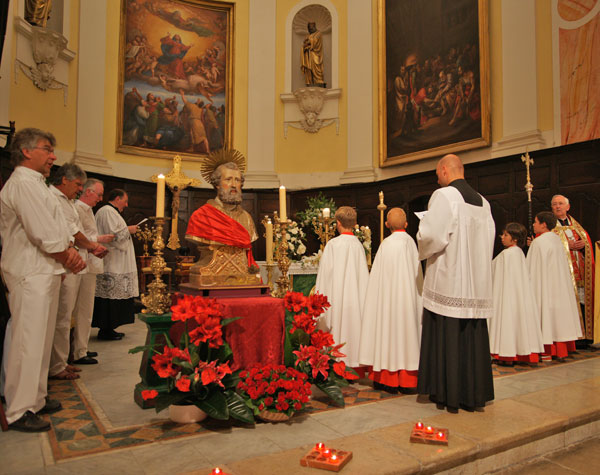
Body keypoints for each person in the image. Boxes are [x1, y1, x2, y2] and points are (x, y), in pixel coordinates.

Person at [0, 128, 85, 432]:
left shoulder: (38, 184)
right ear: (25, 151)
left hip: (44, 269)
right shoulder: (22, 184)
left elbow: (57, 226)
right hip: (30, 269)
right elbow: (41, 231)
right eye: (47, 150)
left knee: (41, 340)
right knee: (28, 341)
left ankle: (35, 398)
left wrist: (67, 252)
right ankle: (19, 409)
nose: (53, 157)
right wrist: (67, 255)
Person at [417, 154, 495, 412]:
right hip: (475, 282)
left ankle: (447, 393)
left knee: (447, 332)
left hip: (450, 279)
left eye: (437, 173)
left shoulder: (444, 196)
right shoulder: (483, 202)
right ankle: (472, 394)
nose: (436, 178)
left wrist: (421, 233)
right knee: (471, 336)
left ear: (444, 170)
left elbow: (432, 236)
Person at [48, 164, 108, 380]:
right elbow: (71, 232)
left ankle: (61, 361)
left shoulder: (68, 202)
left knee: (67, 314)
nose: (80, 190)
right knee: (63, 315)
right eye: (78, 185)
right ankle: (57, 364)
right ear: (64, 180)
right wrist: (93, 246)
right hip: (63, 262)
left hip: (74, 261)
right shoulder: (55, 198)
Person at [359, 208, 423, 393]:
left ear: (387, 225)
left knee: (387, 333)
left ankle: (386, 378)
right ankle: (408, 380)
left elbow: (376, 283)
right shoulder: (411, 243)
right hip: (407, 305)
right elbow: (418, 279)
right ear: (406, 224)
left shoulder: (386, 245)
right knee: (407, 333)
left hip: (387, 305)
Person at [315, 206, 369, 375]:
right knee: (354, 329)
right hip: (356, 299)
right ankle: (355, 368)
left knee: (338, 329)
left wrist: (319, 299)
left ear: (337, 223)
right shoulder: (358, 246)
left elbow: (324, 275)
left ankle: (337, 368)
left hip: (336, 298)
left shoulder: (333, 245)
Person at [527, 211, 582, 359]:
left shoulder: (538, 242)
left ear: (543, 225)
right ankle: (561, 349)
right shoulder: (557, 240)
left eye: (536, 222)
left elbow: (531, 269)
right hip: (558, 287)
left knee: (545, 316)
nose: (533, 224)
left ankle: (547, 350)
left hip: (543, 286)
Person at [488, 223, 544, 365]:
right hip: (518, 297)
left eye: (506, 235)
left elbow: (491, 271)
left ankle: (507, 355)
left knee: (507, 322)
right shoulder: (519, 253)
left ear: (515, 239)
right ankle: (519, 353)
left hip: (506, 297)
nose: (502, 237)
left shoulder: (507, 255)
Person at [186, 161, 258, 270]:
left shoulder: (247, 218)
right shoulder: (201, 216)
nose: (234, 185)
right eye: (228, 179)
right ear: (217, 184)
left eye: (237, 180)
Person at [72, 179, 115, 363]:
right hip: (80, 262)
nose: (100, 198)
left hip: (90, 263)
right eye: (98, 194)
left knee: (86, 309)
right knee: (78, 309)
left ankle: (82, 348)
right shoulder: (77, 208)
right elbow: (75, 235)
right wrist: (99, 238)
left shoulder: (88, 209)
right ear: (88, 192)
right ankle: (76, 351)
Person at [92, 189, 139, 340]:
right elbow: (112, 236)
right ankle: (106, 329)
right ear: (117, 198)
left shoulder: (111, 212)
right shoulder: (107, 211)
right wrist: (129, 230)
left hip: (117, 261)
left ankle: (109, 328)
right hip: (112, 261)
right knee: (109, 296)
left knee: (112, 295)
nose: (126, 205)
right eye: (124, 201)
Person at [551, 195, 596, 346]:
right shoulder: (551, 227)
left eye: (561, 204)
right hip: (563, 275)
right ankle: (573, 339)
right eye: (555, 204)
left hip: (581, 273)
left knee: (583, 302)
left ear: (567, 207)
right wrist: (566, 246)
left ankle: (586, 337)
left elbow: (588, 243)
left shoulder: (577, 227)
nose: (558, 207)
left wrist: (585, 245)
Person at [301, 22, 325, 87]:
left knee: (317, 68)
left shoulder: (318, 33)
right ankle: (309, 81)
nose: (310, 30)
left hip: (316, 54)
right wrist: (305, 47)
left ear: (314, 27)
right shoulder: (308, 35)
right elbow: (305, 43)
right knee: (308, 69)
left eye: (311, 28)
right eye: (309, 29)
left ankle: (319, 81)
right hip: (308, 55)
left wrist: (309, 42)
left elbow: (315, 41)